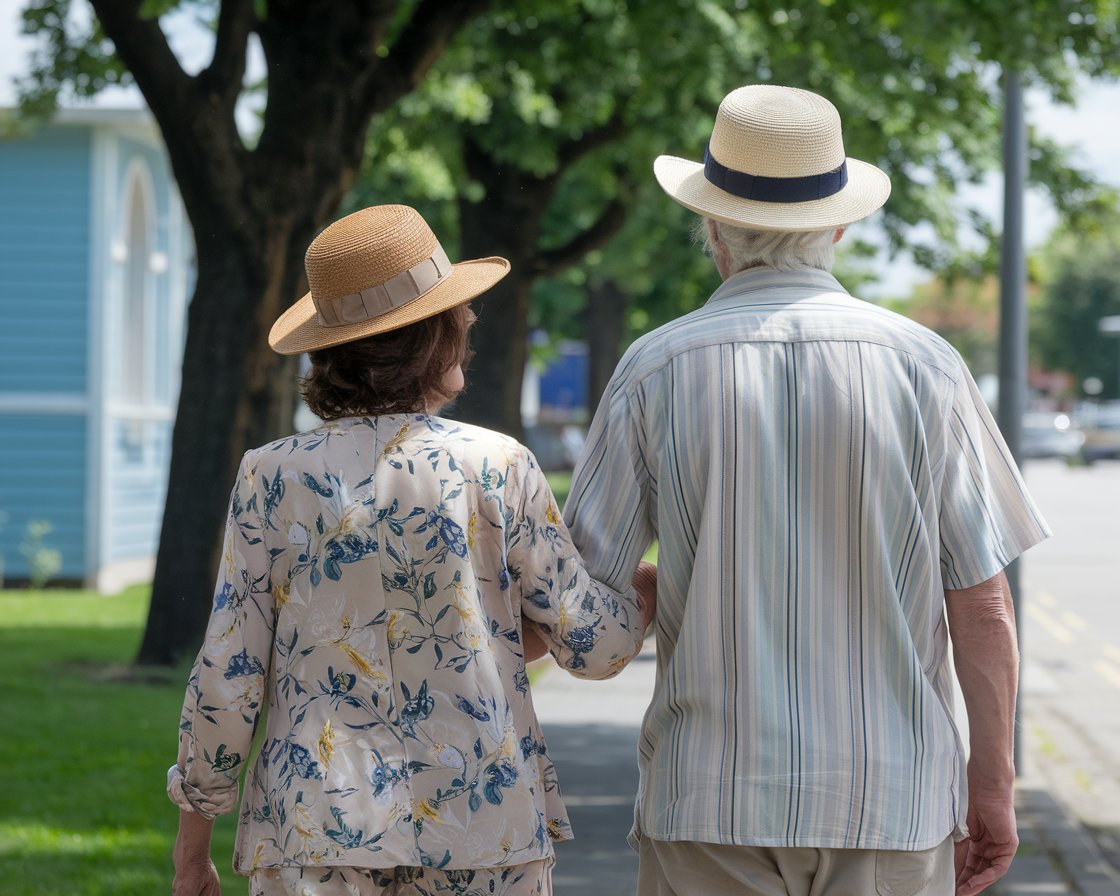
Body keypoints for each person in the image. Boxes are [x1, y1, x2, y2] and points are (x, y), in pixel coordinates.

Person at [563, 85, 1050, 896]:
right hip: (891, 805)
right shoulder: (926, 367)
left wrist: (651, 592)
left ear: (712, 226)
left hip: (708, 804)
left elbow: (585, 615)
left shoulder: (655, 368)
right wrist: (992, 782)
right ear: (838, 225)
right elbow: (983, 605)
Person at [166, 204, 655, 896]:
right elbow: (595, 647)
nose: (472, 324)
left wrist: (193, 853)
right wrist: (648, 592)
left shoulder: (271, 477)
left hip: (315, 834)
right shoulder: (498, 467)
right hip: (483, 830)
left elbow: (228, 676)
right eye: (458, 314)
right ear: (433, 335)